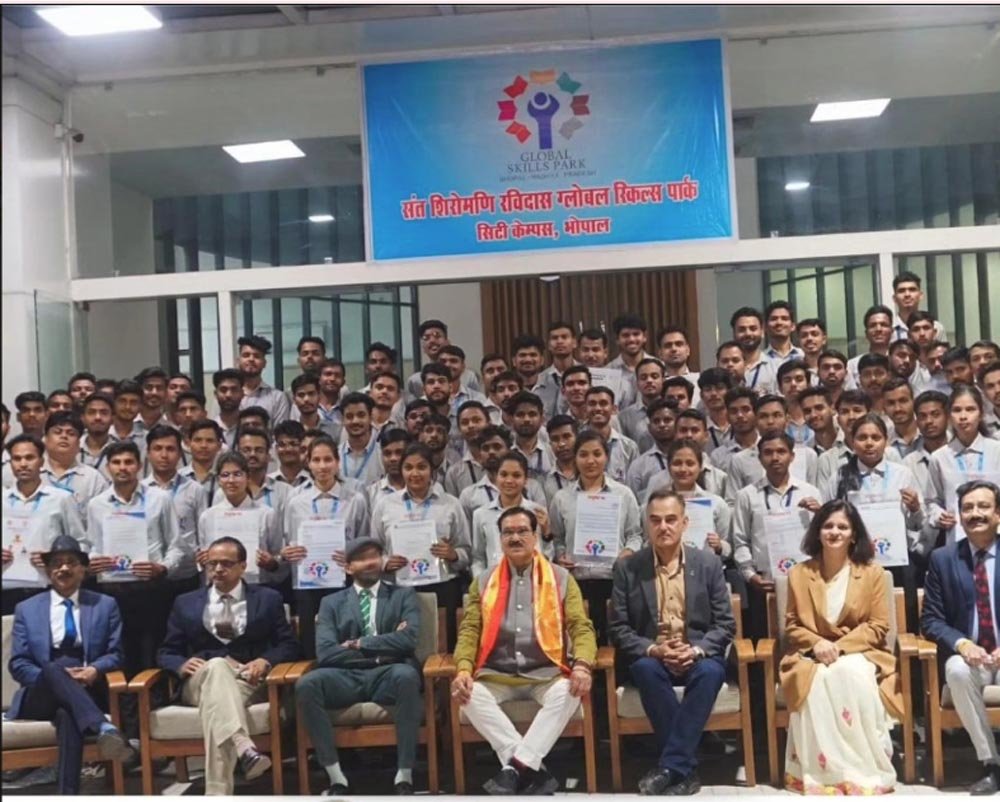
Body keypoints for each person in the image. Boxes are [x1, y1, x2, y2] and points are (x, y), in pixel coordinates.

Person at [450, 507, 597, 796]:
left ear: (535, 536)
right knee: (468, 695)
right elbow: (470, 630)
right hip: (496, 674)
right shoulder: (483, 581)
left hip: (546, 673)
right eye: (508, 532)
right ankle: (531, 769)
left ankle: (514, 768)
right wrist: (464, 670)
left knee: (569, 691)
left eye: (522, 531)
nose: (515, 538)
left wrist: (582, 664)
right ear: (500, 538)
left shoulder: (560, 578)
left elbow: (581, 627)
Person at [608, 490, 736, 796]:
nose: (663, 527)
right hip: (653, 655)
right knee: (645, 669)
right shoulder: (628, 568)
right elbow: (619, 628)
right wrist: (655, 649)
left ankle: (671, 767)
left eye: (670, 519)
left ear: (684, 523)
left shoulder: (707, 564)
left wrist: (696, 650)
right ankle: (683, 769)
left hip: (698, 654)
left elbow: (725, 624)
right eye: (655, 520)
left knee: (710, 672)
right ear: (646, 525)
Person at [157, 536, 300, 795]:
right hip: (198, 682)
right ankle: (243, 744)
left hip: (248, 681)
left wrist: (265, 661)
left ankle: (219, 790)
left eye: (226, 563)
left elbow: (288, 645)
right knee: (216, 666)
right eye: (212, 564)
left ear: (243, 566)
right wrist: (181, 664)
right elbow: (166, 651)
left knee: (217, 703)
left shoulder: (268, 598)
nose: (218, 569)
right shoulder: (185, 602)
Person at [780, 500, 902, 795]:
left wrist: (838, 647)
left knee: (849, 673)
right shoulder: (799, 574)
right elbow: (793, 626)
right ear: (817, 531)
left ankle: (861, 770)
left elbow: (877, 626)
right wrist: (818, 643)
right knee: (818, 677)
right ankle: (823, 773)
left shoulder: (872, 573)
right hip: (810, 654)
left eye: (843, 527)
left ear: (854, 534)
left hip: (861, 651)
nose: (835, 532)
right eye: (828, 526)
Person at [295, 537, 424, 796]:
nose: (370, 562)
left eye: (375, 556)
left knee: (407, 676)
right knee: (307, 684)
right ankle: (336, 778)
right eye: (362, 558)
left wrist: (359, 644)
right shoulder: (331, 603)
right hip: (346, 676)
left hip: (389, 674)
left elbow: (408, 640)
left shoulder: (403, 595)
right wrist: (381, 652)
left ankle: (404, 776)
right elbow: (326, 653)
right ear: (348, 567)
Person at [8, 535, 134, 794]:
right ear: (48, 570)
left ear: (83, 569)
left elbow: (116, 654)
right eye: (56, 563)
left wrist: (94, 670)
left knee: (68, 716)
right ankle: (103, 726)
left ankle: (68, 795)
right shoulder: (26, 609)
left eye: (71, 562)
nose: (63, 568)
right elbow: (18, 663)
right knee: (52, 669)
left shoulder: (105, 605)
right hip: (40, 692)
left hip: (88, 689)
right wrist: (56, 677)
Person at [921, 480, 1000, 795]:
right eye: (967, 508)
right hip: (972, 659)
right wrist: (963, 644)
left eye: (983, 506)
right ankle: (991, 763)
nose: (975, 513)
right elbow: (931, 619)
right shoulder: (943, 559)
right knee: (955, 669)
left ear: (998, 514)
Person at [86, 441, 185, 679]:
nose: (123, 467)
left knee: (152, 653)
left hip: (151, 588)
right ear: (108, 467)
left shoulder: (160, 499)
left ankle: (154, 700)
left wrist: (162, 567)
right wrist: (93, 560)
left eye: (129, 462)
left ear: (139, 466)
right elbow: (91, 545)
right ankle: (121, 701)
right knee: (118, 652)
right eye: (116, 462)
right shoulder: (96, 504)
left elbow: (177, 546)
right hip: (112, 590)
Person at [371, 443, 470, 649]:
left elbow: (466, 551)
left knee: (444, 647)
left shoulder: (450, 504)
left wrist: (453, 554)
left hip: (443, 586)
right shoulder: (386, 505)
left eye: (422, 467)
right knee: (402, 647)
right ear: (401, 471)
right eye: (408, 467)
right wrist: (385, 563)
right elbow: (375, 550)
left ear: (432, 471)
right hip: (400, 588)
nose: (415, 473)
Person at [549, 431, 643, 640]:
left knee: (615, 639)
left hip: (614, 579)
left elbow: (635, 535)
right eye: (583, 454)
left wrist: (628, 552)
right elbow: (558, 538)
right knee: (581, 638)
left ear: (606, 457)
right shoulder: (562, 498)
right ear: (575, 458)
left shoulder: (624, 494)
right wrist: (561, 555)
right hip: (577, 579)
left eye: (597, 454)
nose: (590, 461)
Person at [283, 435, 370, 657]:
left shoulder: (355, 500)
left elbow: (365, 544)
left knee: (347, 639)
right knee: (311, 642)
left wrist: (352, 557)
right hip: (307, 584)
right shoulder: (296, 503)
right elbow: (289, 542)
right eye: (316, 460)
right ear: (308, 463)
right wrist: (288, 553)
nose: (322, 466)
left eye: (328, 459)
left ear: (337, 462)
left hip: (345, 581)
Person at [732, 433, 821, 638]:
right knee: (767, 642)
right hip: (764, 583)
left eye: (781, 452)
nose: (775, 458)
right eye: (768, 452)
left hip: (806, 581)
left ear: (792, 456)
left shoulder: (810, 492)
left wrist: (820, 514)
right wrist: (750, 576)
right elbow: (740, 540)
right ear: (760, 458)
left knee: (806, 638)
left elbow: (823, 538)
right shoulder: (746, 495)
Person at [2, 434, 87, 614]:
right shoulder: (2, 499)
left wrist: (55, 558)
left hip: (48, 589)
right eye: (17, 458)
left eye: (29, 457)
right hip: (5, 589)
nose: (23, 464)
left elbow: (81, 544)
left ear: (41, 461)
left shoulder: (61, 499)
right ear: (10, 463)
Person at [197, 451, 284, 591]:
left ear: (248, 477)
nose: (231, 480)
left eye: (237, 474)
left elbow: (278, 555)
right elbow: (205, 558)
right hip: (218, 586)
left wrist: (271, 562)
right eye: (225, 475)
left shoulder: (266, 513)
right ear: (218, 480)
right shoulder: (208, 516)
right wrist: (202, 561)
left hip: (256, 585)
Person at [927, 385, 1000, 543]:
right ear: (949, 416)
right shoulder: (939, 458)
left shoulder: (997, 450)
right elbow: (932, 502)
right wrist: (939, 515)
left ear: (981, 414)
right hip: (958, 538)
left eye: (970, 409)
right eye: (957, 410)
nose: (963, 416)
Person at [144, 424, 206, 596]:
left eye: (170, 449)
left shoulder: (195, 489)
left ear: (180, 454)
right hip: (150, 575)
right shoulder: (140, 491)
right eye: (157, 449)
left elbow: (203, 534)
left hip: (186, 575)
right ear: (148, 453)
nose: (164, 455)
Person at [471, 452, 551, 575]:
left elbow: (547, 553)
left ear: (525, 480)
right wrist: (482, 581)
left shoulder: (537, 512)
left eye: (516, 475)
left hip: (533, 579)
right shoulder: (480, 515)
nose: (509, 480)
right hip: (495, 581)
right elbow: (478, 558)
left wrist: (546, 534)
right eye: (503, 474)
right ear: (496, 477)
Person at [40, 411, 109, 520]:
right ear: (45, 439)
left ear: (78, 443)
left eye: (71, 433)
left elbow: (102, 519)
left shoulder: (93, 479)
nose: (64, 436)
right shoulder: (33, 474)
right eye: (57, 432)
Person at [405, 319, 482, 401]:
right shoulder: (415, 381)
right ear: (423, 347)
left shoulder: (469, 377)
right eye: (426, 338)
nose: (432, 341)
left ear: (447, 342)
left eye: (437, 336)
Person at [625, 397, 679, 498]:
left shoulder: (691, 461)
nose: (662, 425)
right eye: (656, 421)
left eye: (667, 420)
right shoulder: (639, 466)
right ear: (649, 428)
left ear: (678, 424)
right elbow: (632, 501)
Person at [585, 386, 639, 483]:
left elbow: (634, 483)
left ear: (614, 409)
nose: (597, 408)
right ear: (585, 409)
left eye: (603, 403)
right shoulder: (576, 445)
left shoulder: (629, 447)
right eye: (592, 404)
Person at [237, 334, 291, 425]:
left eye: (256, 356)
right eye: (246, 355)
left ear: (264, 363)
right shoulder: (227, 396)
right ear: (238, 361)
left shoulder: (277, 398)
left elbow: (280, 432)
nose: (251, 359)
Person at [443, 400, 490, 497]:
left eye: (476, 420)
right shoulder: (454, 473)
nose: (471, 425)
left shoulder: (505, 462)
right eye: (465, 423)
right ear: (459, 429)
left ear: (488, 423)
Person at [619, 357, 667, 451]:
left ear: (663, 380)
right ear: (637, 382)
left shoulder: (673, 412)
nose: (649, 381)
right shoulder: (624, 417)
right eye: (643, 377)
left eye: (654, 376)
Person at [338, 391, 385, 485]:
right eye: (349, 416)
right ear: (342, 420)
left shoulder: (382, 454)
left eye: (361, 415)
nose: (355, 421)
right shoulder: (336, 454)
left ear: (370, 417)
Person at [537, 321, 580, 419]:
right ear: (549, 345)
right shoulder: (540, 380)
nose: (559, 341)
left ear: (574, 343)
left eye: (564, 337)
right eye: (554, 338)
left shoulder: (587, 374)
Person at [508, 391, 555, 480]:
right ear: (511, 419)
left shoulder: (551, 452)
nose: (526, 419)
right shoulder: (506, 452)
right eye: (520, 414)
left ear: (542, 419)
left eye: (532, 414)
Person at [731, 307, 777, 395]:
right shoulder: (727, 368)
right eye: (742, 330)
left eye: (753, 328)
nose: (748, 333)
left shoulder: (775, 368)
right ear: (734, 333)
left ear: (762, 332)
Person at [890, 271, 946, 343]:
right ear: (894, 298)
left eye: (912, 290)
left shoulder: (936, 327)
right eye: (901, 291)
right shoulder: (888, 330)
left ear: (920, 295)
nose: (907, 294)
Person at [846, 306, 893, 390]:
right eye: (873, 325)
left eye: (883, 325)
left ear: (892, 331)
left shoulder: (899, 362)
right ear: (866, 333)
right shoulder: (852, 365)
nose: (878, 329)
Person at [368, 428, 412, 511]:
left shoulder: (422, 489)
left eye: (399, 452)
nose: (393, 458)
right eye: (387, 453)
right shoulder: (372, 492)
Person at [289, 373, 339, 438]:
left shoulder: (334, 430)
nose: (306, 399)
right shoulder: (288, 431)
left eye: (311, 393)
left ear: (319, 396)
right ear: (294, 399)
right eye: (301, 395)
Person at [778, 360, 815, 447]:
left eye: (799, 379)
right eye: (787, 380)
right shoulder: (776, 421)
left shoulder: (817, 416)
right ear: (780, 388)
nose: (793, 384)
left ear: (808, 385)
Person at [542, 415, 578, 504]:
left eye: (566, 437)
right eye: (555, 439)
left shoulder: (590, 475)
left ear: (577, 437)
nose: (561, 444)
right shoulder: (545, 480)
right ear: (550, 443)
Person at [270, 420, 311, 487]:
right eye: (282, 445)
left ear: (302, 447)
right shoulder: (268, 482)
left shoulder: (313, 481)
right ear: (276, 448)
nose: (288, 449)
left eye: (293, 444)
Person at [763, 300, 804, 367]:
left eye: (784, 318)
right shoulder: (760, 359)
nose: (779, 322)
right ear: (765, 327)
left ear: (793, 326)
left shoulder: (803, 356)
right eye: (774, 319)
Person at [211, 368, 244, 449]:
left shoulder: (249, 426)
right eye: (223, 390)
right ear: (215, 394)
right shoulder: (210, 428)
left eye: (234, 390)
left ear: (242, 393)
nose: (228, 395)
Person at [134, 366, 170, 433]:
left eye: (159, 388)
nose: (154, 393)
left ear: (166, 392)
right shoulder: (127, 423)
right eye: (149, 387)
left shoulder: (171, 429)